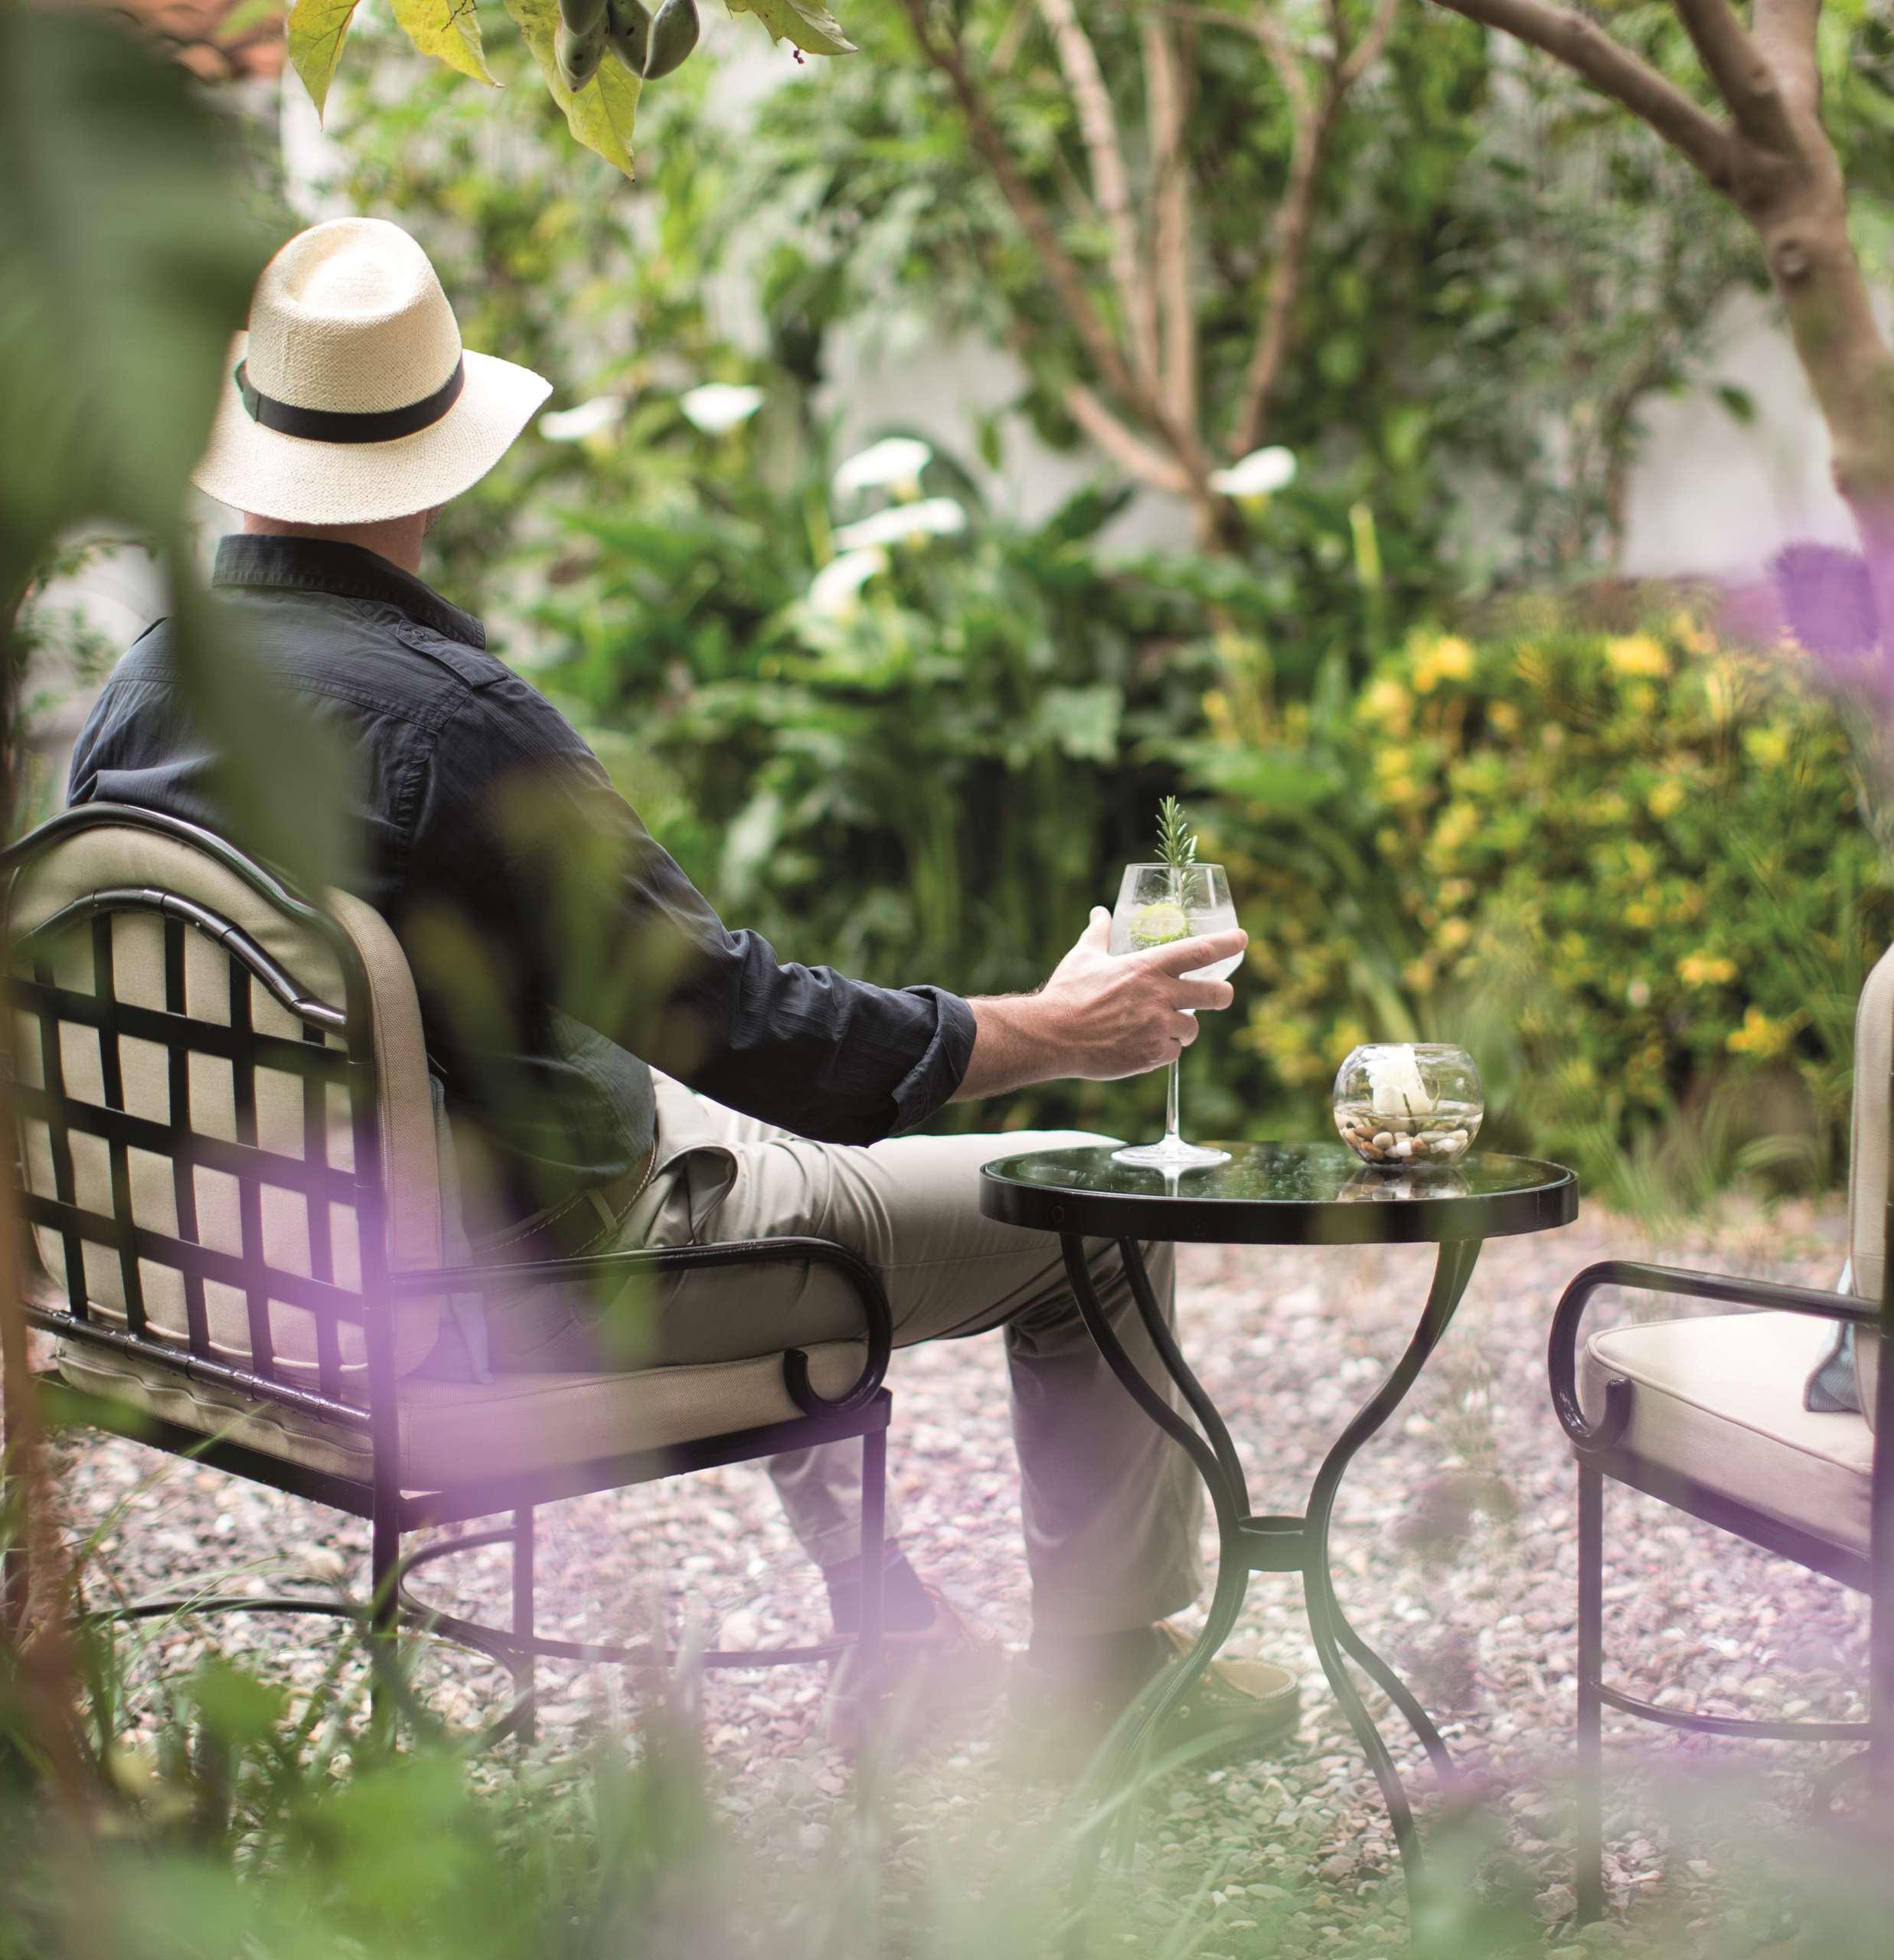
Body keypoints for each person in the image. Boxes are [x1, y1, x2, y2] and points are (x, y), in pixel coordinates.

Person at [64, 215, 1293, 1756]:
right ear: (434, 469)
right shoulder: (456, 728)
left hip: (225, 1299)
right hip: (502, 1308)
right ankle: (1120, 1678)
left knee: (711, 1136)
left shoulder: (135, 698)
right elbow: (760, 1032)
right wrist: (1054, 1034)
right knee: (1093, 1209)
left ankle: (888, 1615)